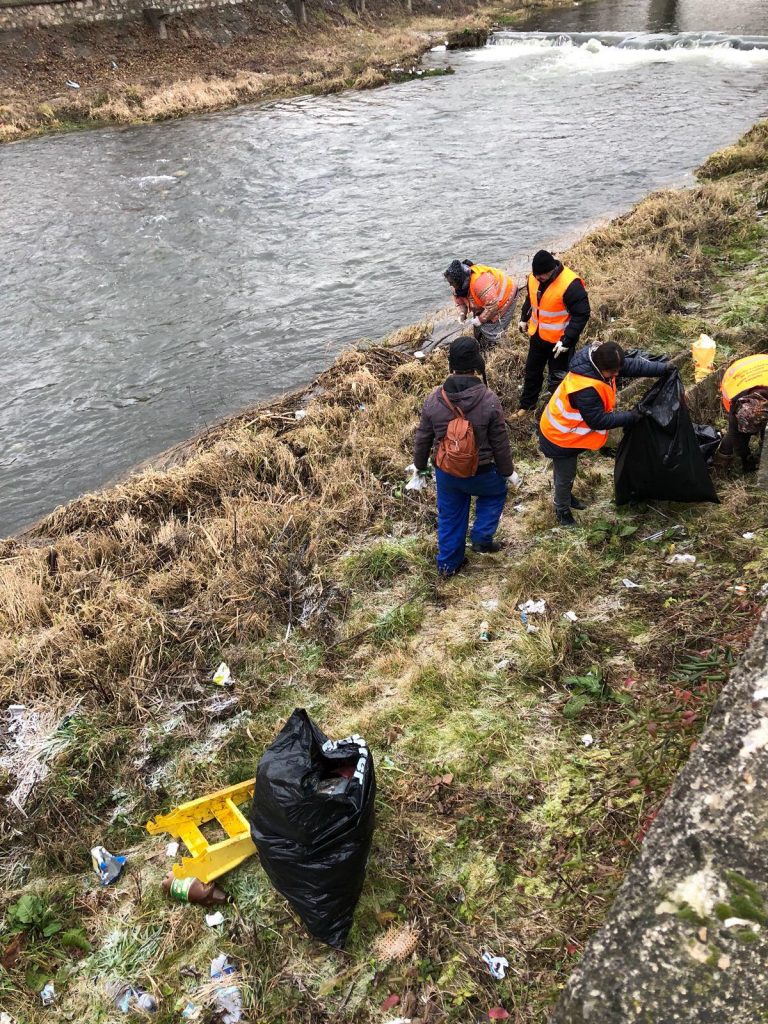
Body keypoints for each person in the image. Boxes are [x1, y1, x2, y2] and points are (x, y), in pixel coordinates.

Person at [413, 336, 516, 576]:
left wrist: (420, 467)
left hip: (448, 472)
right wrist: (508, 472)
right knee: (496, 493)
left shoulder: (434, 399)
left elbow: (423, 438)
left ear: (450, 366)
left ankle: (448, 565)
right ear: (478, 364)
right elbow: (500, 443)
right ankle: (481, 536)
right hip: (483, 472)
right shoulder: (489, 400)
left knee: (450, 517)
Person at [538, 341, 671, 526]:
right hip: (560, 436)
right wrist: (631, 417)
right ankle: (562, 509)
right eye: (613, 372)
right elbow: (598, 421)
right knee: (565, 475)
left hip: (571, 431)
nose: (617, 374)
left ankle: (566, 497)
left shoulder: (598, 363)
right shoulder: (586, 389)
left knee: (568, 472)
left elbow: (631, 366)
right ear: (602, 368)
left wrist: (663, 369)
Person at [516, 250, 591, 416]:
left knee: (557, 378)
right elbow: (531, 299)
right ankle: (527, 406)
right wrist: (524, 318)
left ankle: (558, 410)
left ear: (551, 271)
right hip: (537, 336)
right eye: (536, 276)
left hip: (559, 343)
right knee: (531, 372)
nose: (538, 280)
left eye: (541, 277)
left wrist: (567, 340)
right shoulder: (533, 278)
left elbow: (582, 314)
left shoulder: (571, 284)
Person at [444, 259, 519, 351]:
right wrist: (462, 314)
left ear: (459, 280)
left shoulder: (479, 282)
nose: (450, 285)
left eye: (451, 282)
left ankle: (502, 350)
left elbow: (492, 305)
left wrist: (480, 319)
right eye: (449, 282)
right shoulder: (457, 287)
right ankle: (482, 347)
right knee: (479, 329)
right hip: (488, 301)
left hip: (506, 296)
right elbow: (460, 302)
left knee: (491, 330)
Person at [718, 354, 768, 472]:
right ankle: (720, 463)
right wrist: (746, 458)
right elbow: (734, 434)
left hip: (761, 366)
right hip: (738, 376)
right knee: (736, 434)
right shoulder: (735, 401)